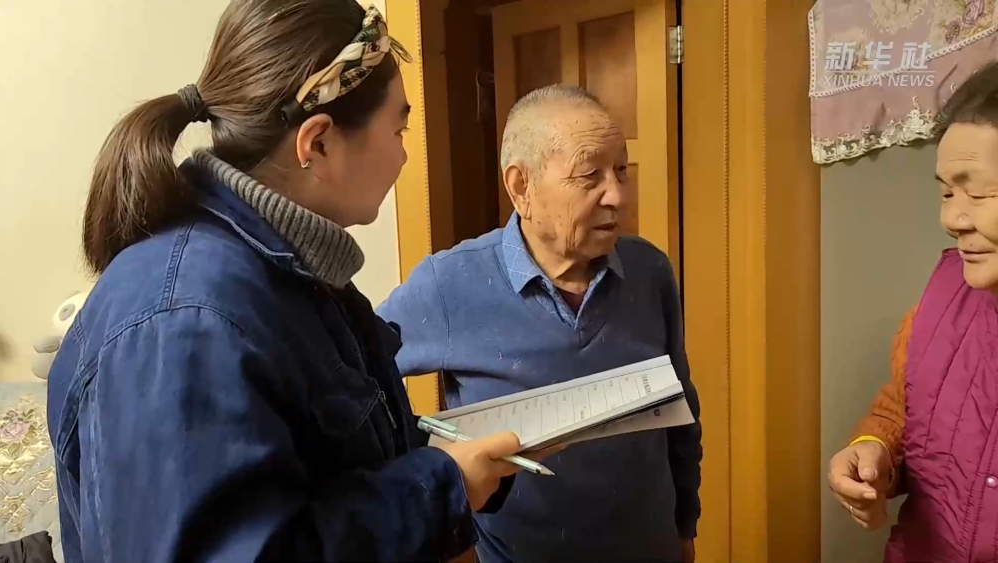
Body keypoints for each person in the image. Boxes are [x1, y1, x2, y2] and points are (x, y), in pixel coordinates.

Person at [46, 1, 533, 561]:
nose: (404, 155)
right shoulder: (184, 322)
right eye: (399, 128)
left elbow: (332, 463)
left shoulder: (293, 276)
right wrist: (439, 490)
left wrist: (460, 461)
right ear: (318, 142)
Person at [377, 84, 702, 563]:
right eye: (590, 175)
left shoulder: (649, 270)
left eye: (621, 171)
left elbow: (682, 408)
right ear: (521, 187)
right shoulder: (449, 283)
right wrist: (432, 473)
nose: (617, 195)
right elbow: (354, 381)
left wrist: (685, 523)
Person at [827, 60, 998, 562]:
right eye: (946, 192)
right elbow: (906, 408)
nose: (951, 217)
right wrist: (874, 450)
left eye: (978, 192)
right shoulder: (941, 293)